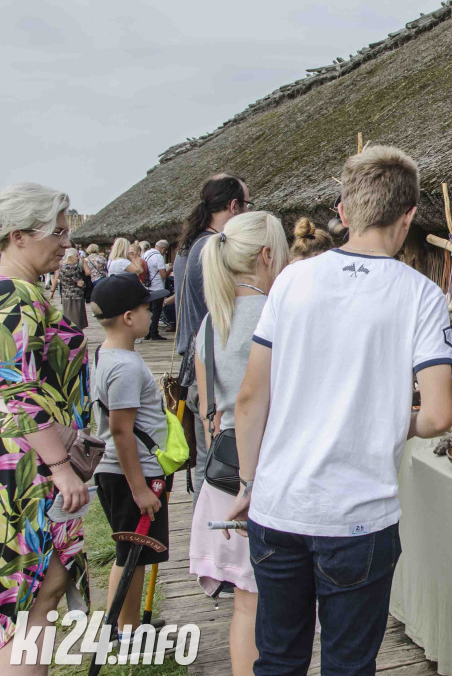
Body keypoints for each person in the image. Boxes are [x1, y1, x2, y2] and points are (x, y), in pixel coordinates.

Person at [229, 146, 452, 675]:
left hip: (279, 507)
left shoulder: (290, 280)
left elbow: (250, 399)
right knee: (349, 665)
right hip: (359, 520)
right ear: (408, 217)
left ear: (344, 212)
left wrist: (248, 481)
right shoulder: (421, 295)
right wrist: (393, 421)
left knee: (279, 658)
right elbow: (440, 416)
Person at [189, 211, 288, 676]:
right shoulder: (273, 316)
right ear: (267, 255)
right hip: (260, 477)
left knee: (245, 606)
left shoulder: (214, 319)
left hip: (221, 476)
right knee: (271, 605)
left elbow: (210, 408)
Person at [0, 183, 91, 670]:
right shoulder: (15, 293)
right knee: (34, 595)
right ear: (18, 235)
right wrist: (61, 467)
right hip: (31, 466)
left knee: (40, 590)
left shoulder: (20, 290)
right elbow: (13, 386)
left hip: (27, 460)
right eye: (56, 234)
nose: (65, 244)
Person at [90, 273, 171, 638]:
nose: (151, 312)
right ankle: (127, 631)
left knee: (131, 554)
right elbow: (121, 431)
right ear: (127, 317)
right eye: (144, 306)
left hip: (121, 472)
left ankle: (121, 626)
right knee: (133, 554)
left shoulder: (110, 353)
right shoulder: (124, 366)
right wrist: (140, 488)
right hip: (129, 475)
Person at [173, 175, 250, 501]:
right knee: (215, 466)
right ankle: (206, 541)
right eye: (247, 205)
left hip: (199, 365)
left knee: (208, 463)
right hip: (212, 373)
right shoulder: (214, 247)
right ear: (234, 207)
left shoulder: (193, 246)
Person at [53, 247, 88, 329]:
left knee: (68, 317)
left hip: (65, 295)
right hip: (75, 296)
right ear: (70, 257)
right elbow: (80, 283)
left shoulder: (61, 267)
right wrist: (83, 283)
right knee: (76, 319)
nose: (78, 257)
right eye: (76, 256)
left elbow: (57, 278)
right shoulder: (72, 268)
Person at [142, 240, 170, 341]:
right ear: (163, 249)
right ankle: (153, 333)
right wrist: (170, 269)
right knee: (156, 311)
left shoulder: (146, 254)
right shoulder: (159, 257)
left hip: (147, 286)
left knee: (149, 310)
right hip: (157, 286)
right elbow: (163, 275)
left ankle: (147, 332)